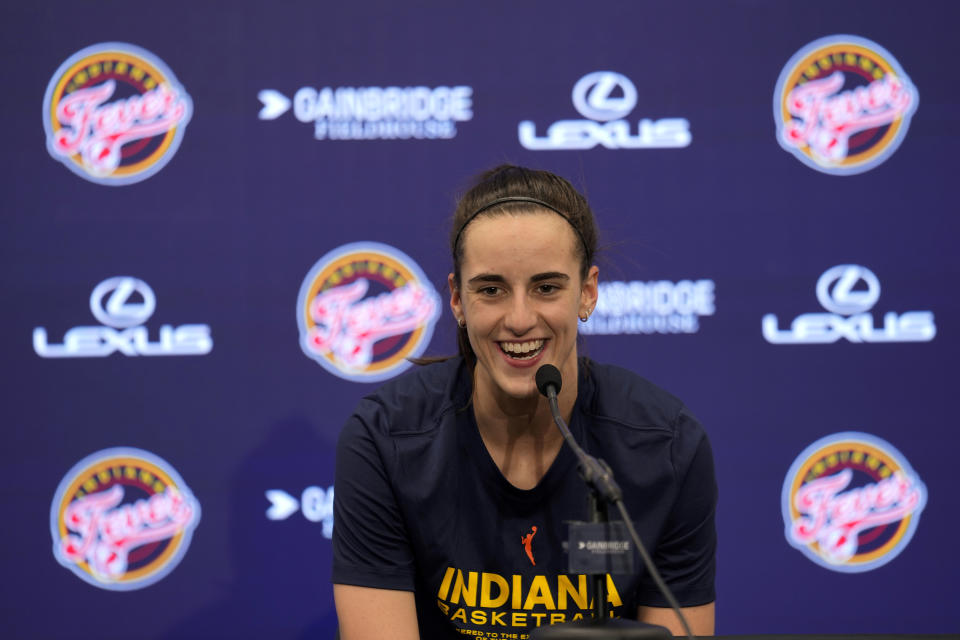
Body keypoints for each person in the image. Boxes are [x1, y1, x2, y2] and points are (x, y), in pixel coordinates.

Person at [332, 165, 717, 639]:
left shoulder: (667, 446)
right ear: (456, 299)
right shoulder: (385, 440)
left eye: (547, 287)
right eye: (491, 290)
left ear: (588, 292)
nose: (519, 319)